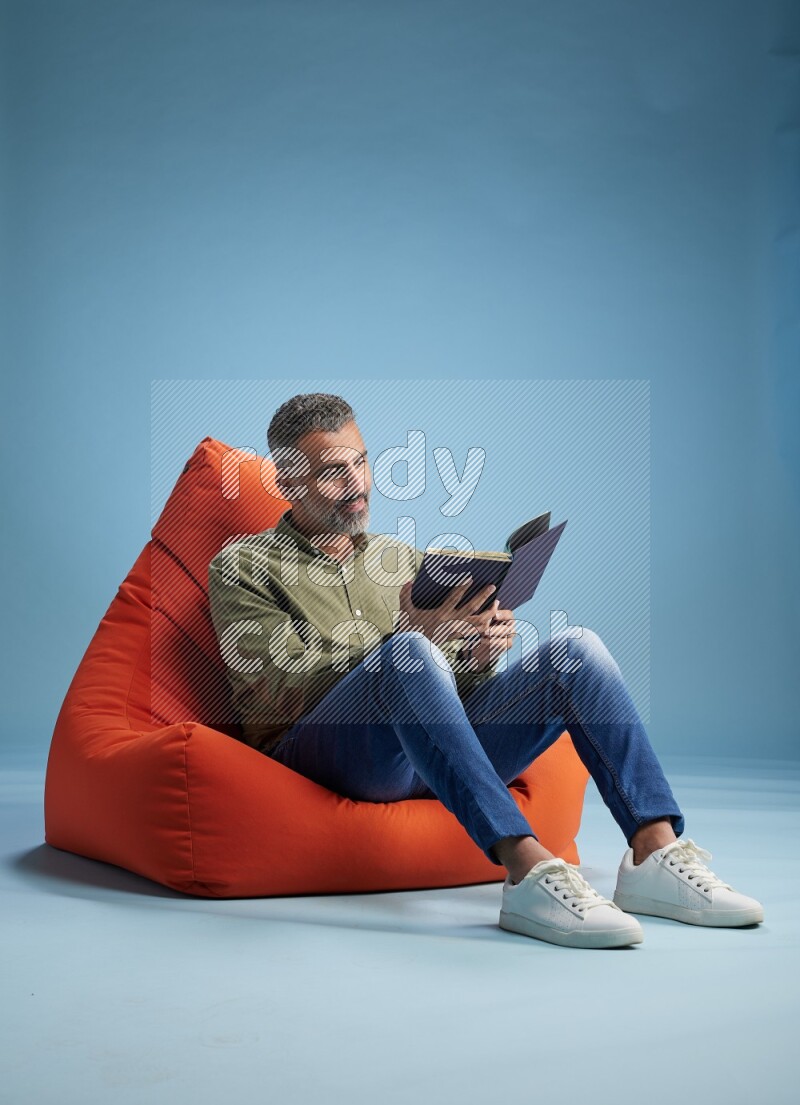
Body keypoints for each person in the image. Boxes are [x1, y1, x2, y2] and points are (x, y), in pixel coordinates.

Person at [208, 392, 764, 949]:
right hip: (329, 757)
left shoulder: (401, 560)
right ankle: (527, 870)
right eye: (334, 472)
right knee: (407, 652)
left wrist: (478, 652)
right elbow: (273, 689)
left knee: (578, 650)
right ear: (287, 482)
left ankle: (653, 852)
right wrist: (406, 640)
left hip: (429, 761)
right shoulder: (242, 566)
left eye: (361, 462)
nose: (357, 483)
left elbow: (436, 688)